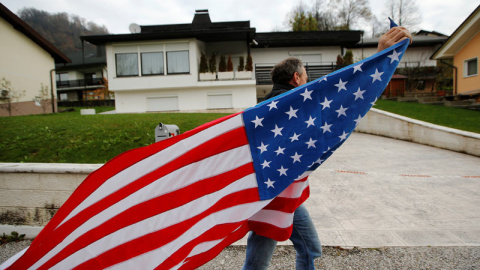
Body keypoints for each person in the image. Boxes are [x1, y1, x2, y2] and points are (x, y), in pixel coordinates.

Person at [242, 26, 412, 270]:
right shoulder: (295, 104)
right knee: (281, 256)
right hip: (276, 194)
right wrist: (380, 59)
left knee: (295, 250)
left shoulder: (263, 108)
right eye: (305, 75)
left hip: (277, 192)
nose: (308, 79)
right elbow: (343, 94)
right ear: (296, 79)